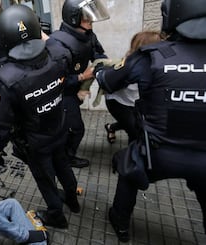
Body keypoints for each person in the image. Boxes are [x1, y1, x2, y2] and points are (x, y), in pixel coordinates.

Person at [95, 0, 206, 242]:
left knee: (128, 168)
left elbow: (108, 80)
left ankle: (120, 223)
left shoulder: (150, 57)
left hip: (159, 151)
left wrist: (98, 71)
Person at [0, 5, 79, 229]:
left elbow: (0, 125)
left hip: (36, 141)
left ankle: (57, 215)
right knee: (63, 165)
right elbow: (64, 46)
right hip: (59, 127)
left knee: (45, 178)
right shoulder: (59, 54)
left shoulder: (6, 78)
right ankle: (73, 200)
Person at [49, 0, 109, 168]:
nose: (91, 24)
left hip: (76, 90)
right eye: (87, 20)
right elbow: (55, 81)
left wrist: (104, 66)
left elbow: (98, 53)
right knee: (76, 129)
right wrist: (82, 77)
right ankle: (67, 157)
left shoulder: (88, 35)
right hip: (63, 94)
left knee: (67, 126)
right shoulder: (57, 45)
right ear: (73, 19)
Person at [104, 31, 162, 144]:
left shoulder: (154, 63)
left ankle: (111, 127)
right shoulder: (130, 65)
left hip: (134, 101)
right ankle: (131, 158)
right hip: (119, 102)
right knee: (134, 132)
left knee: (137, 124)